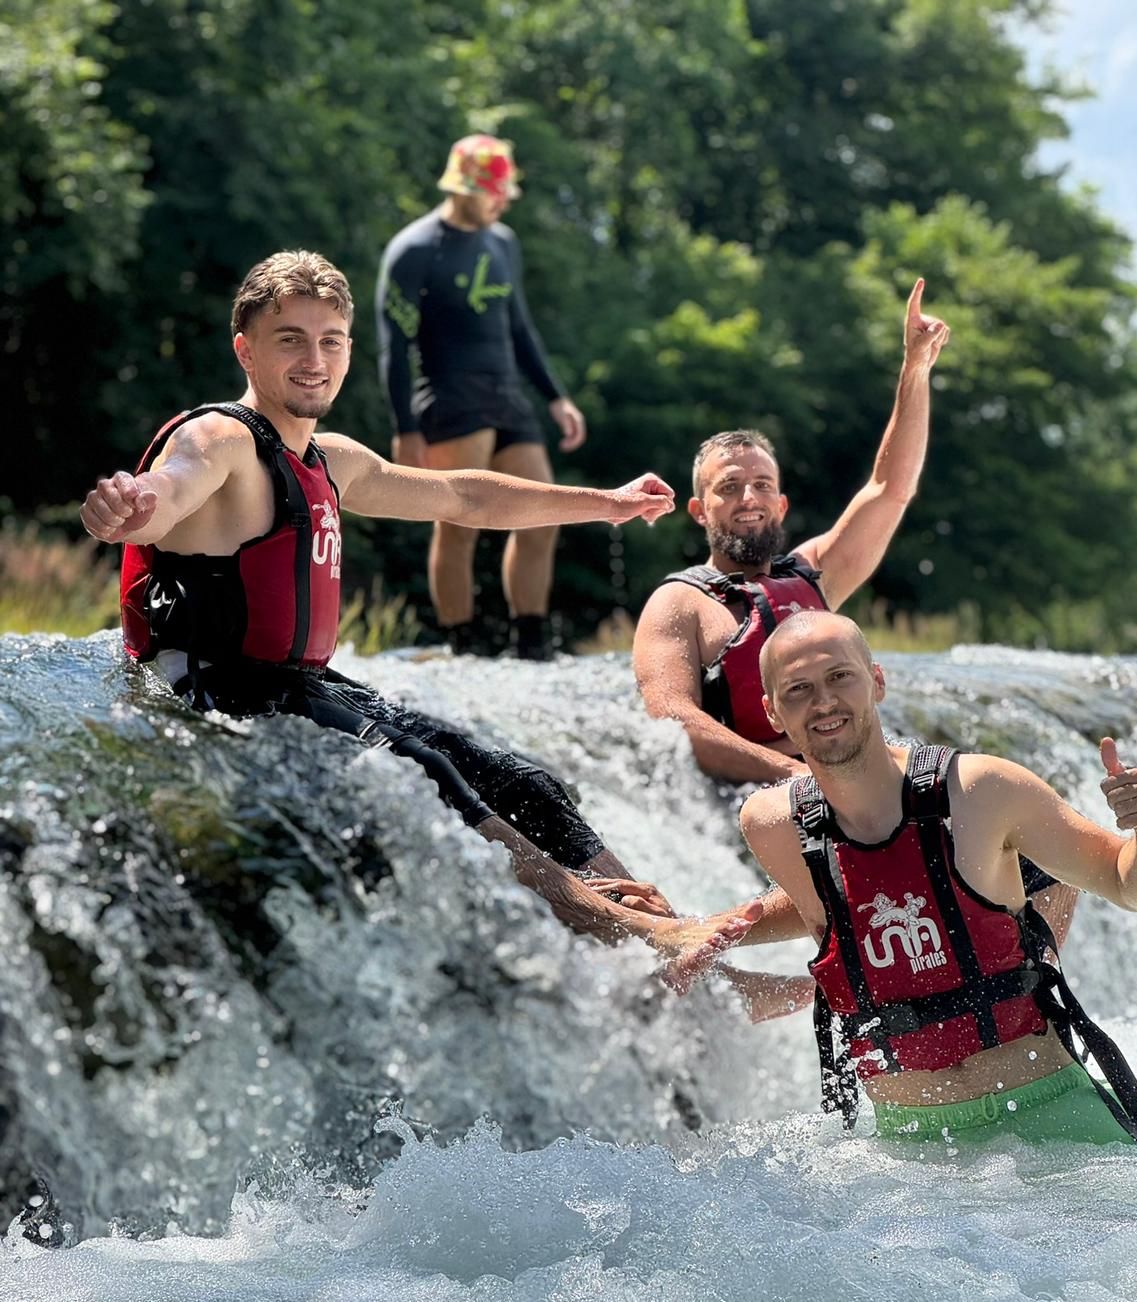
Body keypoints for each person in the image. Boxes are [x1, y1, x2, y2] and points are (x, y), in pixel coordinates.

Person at [79, 249, 758, 966]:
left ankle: (686, 951)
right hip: (213, 691)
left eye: (330, 341)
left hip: (293, 690)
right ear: (245, 349)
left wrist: (607, 504)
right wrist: (130, 510)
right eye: (291, 340)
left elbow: (464, 496)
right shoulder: (219, 438)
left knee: (523, 781)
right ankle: (642, 935)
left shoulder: (329, 458)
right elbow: (170, 490)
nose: (314, 359)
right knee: (427, 774)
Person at [739, 611, 1137, 1146]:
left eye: (839, 677)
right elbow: (846, 898)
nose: (824, 701)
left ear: (877, 680)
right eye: (799, 689)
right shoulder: (774, 827)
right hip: (911, 1150)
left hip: (1053, 1121)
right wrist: (703, 931)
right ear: (772, 711)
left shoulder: (983, 789)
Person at [632, 280, 949, 785]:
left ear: (781, 504)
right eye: (729, 487)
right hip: (763, 795)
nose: (749, 499)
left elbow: (890, 488)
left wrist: (915, 370)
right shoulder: (677, 604)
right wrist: (798, 777)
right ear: (698, 510)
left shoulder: (814, 573)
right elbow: (671, 719)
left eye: (761, 485)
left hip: (856, 782)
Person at [375, 133, 586, 660]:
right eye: (496, 191)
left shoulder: (504, 242)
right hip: (449, 401)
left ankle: (531, 643)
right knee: (459, 524)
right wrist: (406, 428)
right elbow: (393, 348)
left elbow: (520, 327)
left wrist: (555, 396)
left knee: (544, 514)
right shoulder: (415, 249)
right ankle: (461, 643)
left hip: (507, 395)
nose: (506, 199)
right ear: (465, 189)